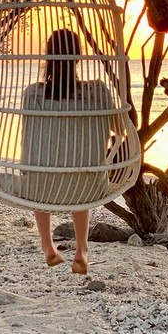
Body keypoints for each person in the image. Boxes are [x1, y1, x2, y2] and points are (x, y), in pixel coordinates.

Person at [20, 28, 116, 275]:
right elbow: (119, 129)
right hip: (86, 180)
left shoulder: (32, 94)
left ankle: (48, 247)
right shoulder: (97, 92)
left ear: (48, 57)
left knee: (41, 172)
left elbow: (30, 137)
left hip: (40, 179)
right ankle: (82, 251)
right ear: (78, 57)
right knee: (78, 173)